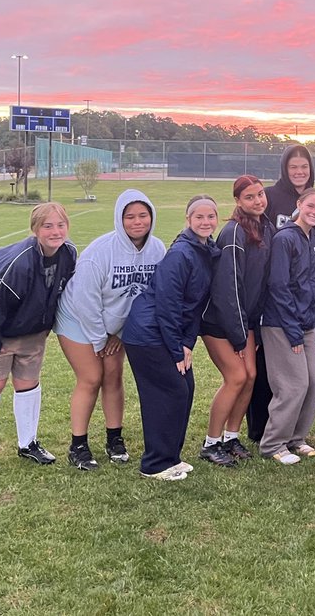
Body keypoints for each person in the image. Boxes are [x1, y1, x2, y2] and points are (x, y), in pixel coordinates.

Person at [0, 202, 77, 473]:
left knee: (28, 384)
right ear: (35, 229)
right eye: (47, 226)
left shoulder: (68, 254)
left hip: (32, 333)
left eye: (60, 225)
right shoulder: (19, 260)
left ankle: (28, 444)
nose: (55, 231)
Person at [54, 190, 165, 470]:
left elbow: (149, 296)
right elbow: (84, 299)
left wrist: (120, 333)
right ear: (119, 219)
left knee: (114, 376)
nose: (137, 222)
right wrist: (99, 338)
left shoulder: (157, 250)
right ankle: (78, 445)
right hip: (78, 319)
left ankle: (114, 439)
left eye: (143, 215)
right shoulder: (99, 253)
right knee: (92, 378)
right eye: (129, 216)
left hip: (115, 327)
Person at [122, 195, 220, 481]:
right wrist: (177, 350)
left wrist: (187, 342)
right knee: (168, 393)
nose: (205, 222)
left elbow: (196, 305)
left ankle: (171, 458)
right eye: (198, 217)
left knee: (184, 388)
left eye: (210, 216)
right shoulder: (181, 254)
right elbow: (168, 305)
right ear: (188, 220)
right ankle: (154, 464)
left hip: (168, 333)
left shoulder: (206, 249)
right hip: (147, 334)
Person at [199, 175, 275, 467]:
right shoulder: (233, 233)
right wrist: (239, 336)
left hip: (247, 321)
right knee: (236, 377)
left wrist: (249, 327)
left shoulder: (265, 227)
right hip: (221, 322)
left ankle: (231, 436)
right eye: (249, 197)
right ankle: (211, 443)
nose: (257, 201)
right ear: (238, 202)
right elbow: (228, 287)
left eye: (260, 194)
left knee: (251, 377)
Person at [248, 144, 315, 443]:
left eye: (304, 167)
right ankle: (259, 427)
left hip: (298, 297)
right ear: (284, 169)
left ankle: (289, 431)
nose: (299, 172)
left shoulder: (313, 201)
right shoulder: (272, 197)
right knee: (265, 368)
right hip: (269, 297)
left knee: (295, 376)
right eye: (293, 167)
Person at [260, 189, 315, 465]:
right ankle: (273, 444)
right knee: (293, 385)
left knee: (312, 383)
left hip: (308, 325)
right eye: (311, 206)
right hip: (282, 325)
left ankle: (296, 438)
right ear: (299, 205)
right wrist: (292, 329)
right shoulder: (284, 238)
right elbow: (278, 286)